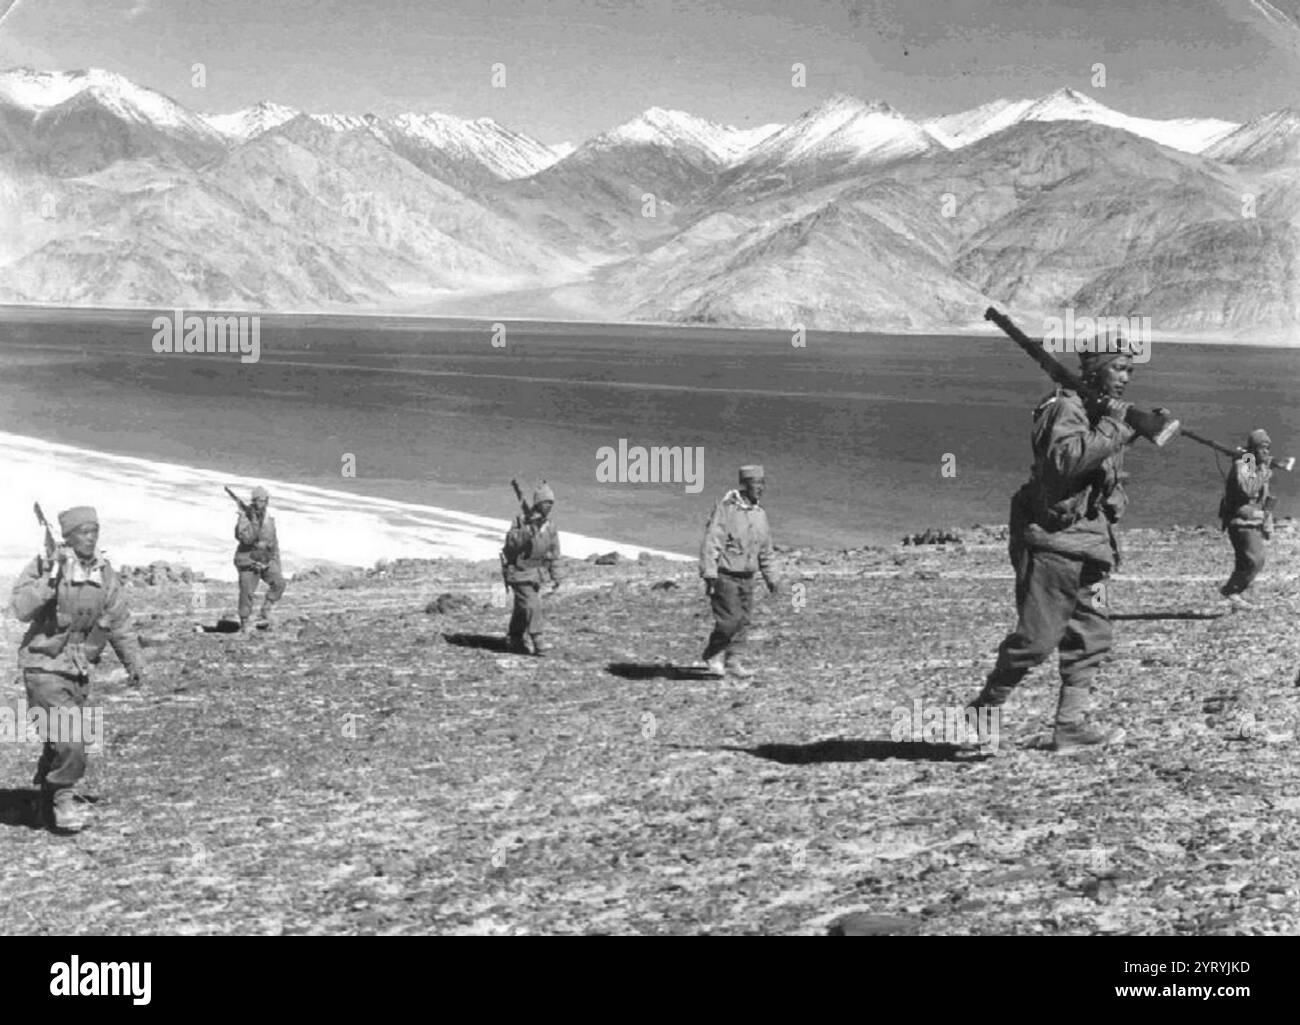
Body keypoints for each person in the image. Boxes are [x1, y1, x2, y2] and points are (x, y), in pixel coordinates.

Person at [967, 337, 1174, 752]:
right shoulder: (1063, 408)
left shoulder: (1098, 413)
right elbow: (1063, 463)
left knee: (1092, 635)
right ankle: (983, 711)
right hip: (1053, 544)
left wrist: (1125, 443)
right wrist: (1119, 427)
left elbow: (1100, 469)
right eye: (1118, 368)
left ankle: (1071, 726)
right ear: (1095, 369)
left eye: (1130, 370)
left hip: (1092, 545)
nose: (1126, 377)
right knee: (1037, 640)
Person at [10, 506, 145, 833]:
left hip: (79, 670)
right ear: (68, 536)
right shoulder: (45, 565)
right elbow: (20, 608)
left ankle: (44, 804)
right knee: (73, 738)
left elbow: (119, 622)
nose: (91, 536)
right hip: (43, 667)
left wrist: (134, 663)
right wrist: (50, 581)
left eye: (95, 530)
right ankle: (62, 797)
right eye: (84, 531)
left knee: (57, 740)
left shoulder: (103, 573)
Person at [696, 465, 782, 679]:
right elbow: (712, 541)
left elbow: (766, 550)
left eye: (763, 484)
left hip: (748, 577)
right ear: (745, 485)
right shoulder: (727, 508)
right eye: (756, 484)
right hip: (725, 575)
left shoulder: (760, 515)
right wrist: (709, 573)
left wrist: (774, 579)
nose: (760, 488)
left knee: (743, 621)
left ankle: (733, 660)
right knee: (730, 620)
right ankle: (713, 654)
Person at [501, 483, 562, 655]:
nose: (549, 506)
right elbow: (510, 546)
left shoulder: (550, 526)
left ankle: (515, 638)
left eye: (551, 503)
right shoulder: (521, 521)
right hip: (519, 572)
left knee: (522, 608)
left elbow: (553, 552)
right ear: (538, 503)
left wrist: (556, 575)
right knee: (532, 605)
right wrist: (526, 532)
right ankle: (538, 639)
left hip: (536, 574)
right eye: (546, 502)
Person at [1218, 429, 1274, 610]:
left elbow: (1265, 496)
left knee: (1247, 561)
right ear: (1253, 448)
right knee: (1255, 559)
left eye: (1268, 448)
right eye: (1262, 447)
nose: (1266, 451)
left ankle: (1235, 597)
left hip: (1254, 520)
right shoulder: (1246, 462)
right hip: (1240, 520)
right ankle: (1231, 591)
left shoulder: (1258, 464)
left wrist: (1267, 521)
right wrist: (1265, 472)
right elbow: (1248, 489)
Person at [234, 486, 285, 630]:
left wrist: (276, 562)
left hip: (266, 560)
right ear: (254, 501)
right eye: (259, 500)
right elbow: (246, 539)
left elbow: (274, 542)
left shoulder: (269, 519)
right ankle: (244, 621)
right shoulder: (245, 517)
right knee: (247, 592)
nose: (262, 503)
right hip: (248, 561)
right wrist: (251, 520)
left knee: (279, 583)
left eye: (264, 500)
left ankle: (266, 610)